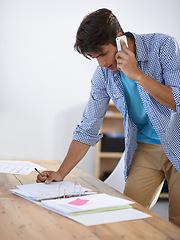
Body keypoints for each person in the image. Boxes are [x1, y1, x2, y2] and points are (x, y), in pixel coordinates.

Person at [36, 8, 180, 227]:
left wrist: (138, 75)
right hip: (145, 149)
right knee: (126, 219)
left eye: (102, 54)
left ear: (119, 39)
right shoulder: (103, 75)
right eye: (95, 58)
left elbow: (177, 101)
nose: (101, 64)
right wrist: (60, 173)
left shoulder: (163, 46)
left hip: (177, 144)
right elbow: (87, 128)